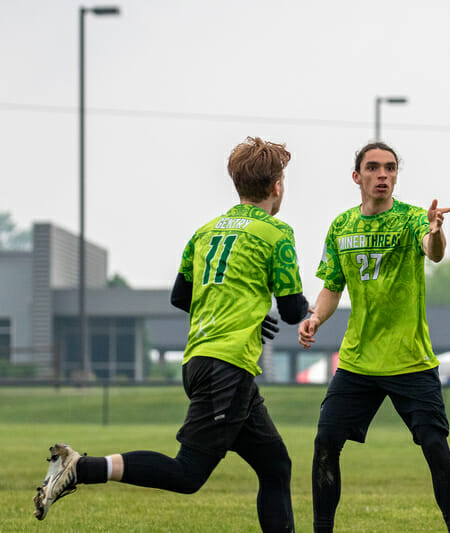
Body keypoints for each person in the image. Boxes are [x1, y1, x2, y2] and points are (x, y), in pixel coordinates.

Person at [34, 136, 310, 532]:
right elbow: (290, 309)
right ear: (277, 186)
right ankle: (79, 467)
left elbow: (182, 296)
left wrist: (247, 313)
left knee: (275, 465)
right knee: (187, 473)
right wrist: (313, 310)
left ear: (237, 183)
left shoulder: (205, 232)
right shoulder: (276, 233)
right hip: (226, 369)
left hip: (201, 361)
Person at [298, 142, 450, 533]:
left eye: (390, 168)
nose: (383, 175)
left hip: (410, 359)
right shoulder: (341, 226)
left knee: (435, 446)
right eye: (373, 168)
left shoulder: (412, 219)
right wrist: (315, 318)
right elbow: (331, 287)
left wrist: (436, 231)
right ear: (357, 177)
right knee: (325, 441)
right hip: (358, 361)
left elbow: (433, 251)